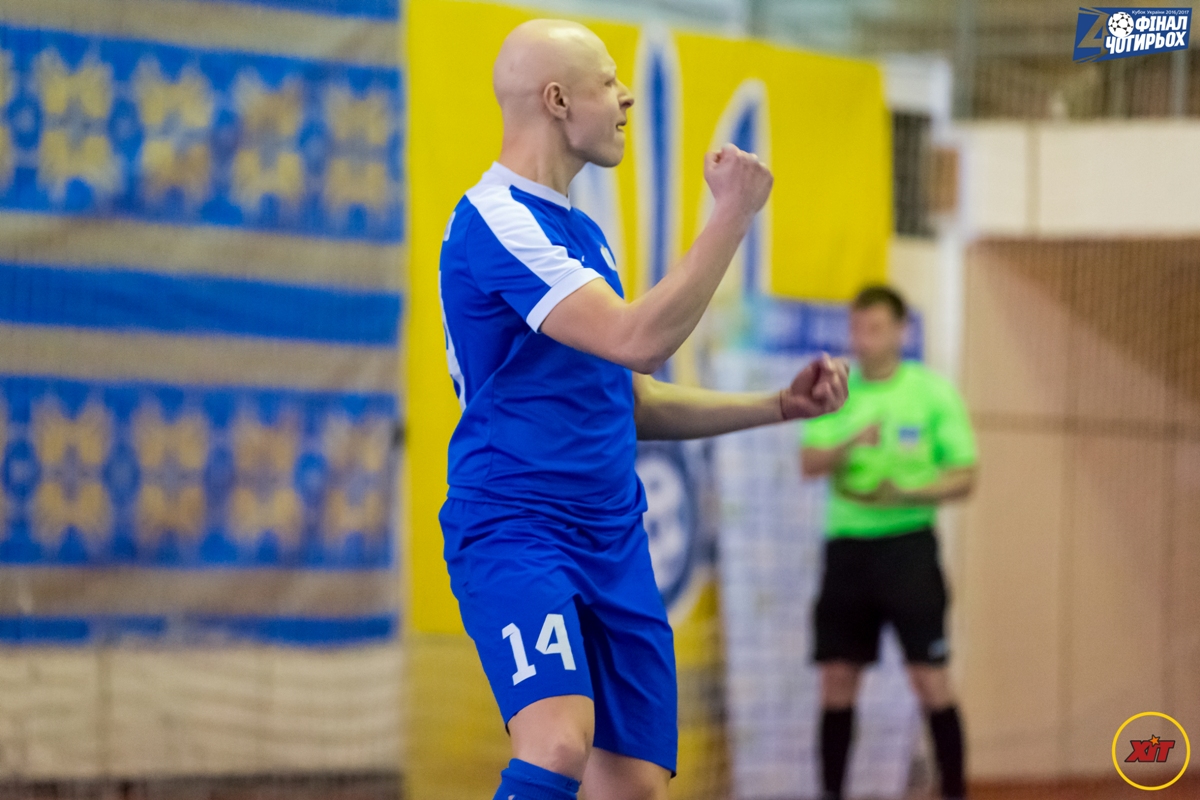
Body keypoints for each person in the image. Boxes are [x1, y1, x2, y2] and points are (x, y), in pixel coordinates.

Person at [437, 18, 849, 800]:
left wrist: (778, 405)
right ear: (557, 101)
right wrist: (731, 215)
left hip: (613, 536)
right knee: (557, 745)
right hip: (519, 527)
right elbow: (638, 339)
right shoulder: (496, 220)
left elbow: (630, 401)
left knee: (632, 787)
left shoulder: (585, 233)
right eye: (607, 82)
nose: (627, 96)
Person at [800, 285, 978, 800]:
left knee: (930, 678)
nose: (865, 339)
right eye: (857, 328)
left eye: (876, 328)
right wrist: (852, 440)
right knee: (837, 679)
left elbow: (965, 476)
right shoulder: (837, 391)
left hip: (908, 548)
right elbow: (809, 462)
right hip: (848, 549)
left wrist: (906, 491)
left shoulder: (932, 393)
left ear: (902, 331)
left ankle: (954, 790)